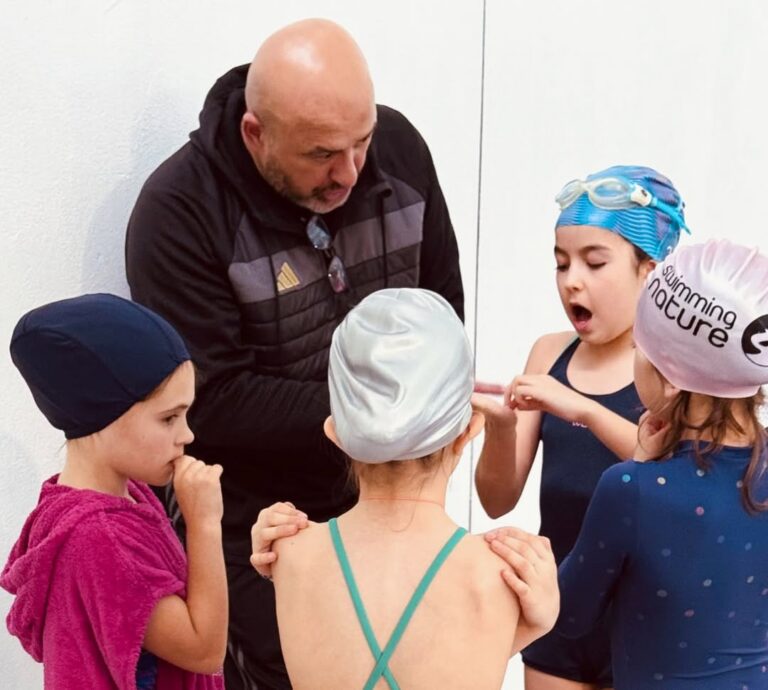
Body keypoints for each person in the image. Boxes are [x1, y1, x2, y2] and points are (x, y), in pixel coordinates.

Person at [124, 19, 463, 689]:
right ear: (256, 133)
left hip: (394, 503)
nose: (350, 171)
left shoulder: (398, 148)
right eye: (320, 154)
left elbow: (441, 314)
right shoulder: (178, 213)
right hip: (261, 532)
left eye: (360, 142)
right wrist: (384, 414)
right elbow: (214, 402)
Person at [250, 288, 559, 690]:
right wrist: (536, 624)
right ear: (469, 431)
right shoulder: (498, 574)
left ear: (336, 433)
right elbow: (456, 667)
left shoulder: (290, 552)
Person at [473, 166, 689, 690]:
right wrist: (502, 426)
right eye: (561, 262)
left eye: (595, 262)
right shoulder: (550, 355)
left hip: (649, 617)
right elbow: (497, 499)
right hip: (560, 607)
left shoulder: (678, 367)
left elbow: (673, 474)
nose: (572, 279)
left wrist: (580, 409)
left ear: (650, 271)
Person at [553, 239, 768, 689]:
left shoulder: (631, 487)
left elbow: (569, 615)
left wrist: (641, 468)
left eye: (638, 345)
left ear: (669, 380)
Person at [1, 294, 226, 689]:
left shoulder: (118, 497)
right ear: (102, 415)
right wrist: (205, 524)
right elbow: (204, 649)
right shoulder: (102, 537)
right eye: (169, 418)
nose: (187, 435)